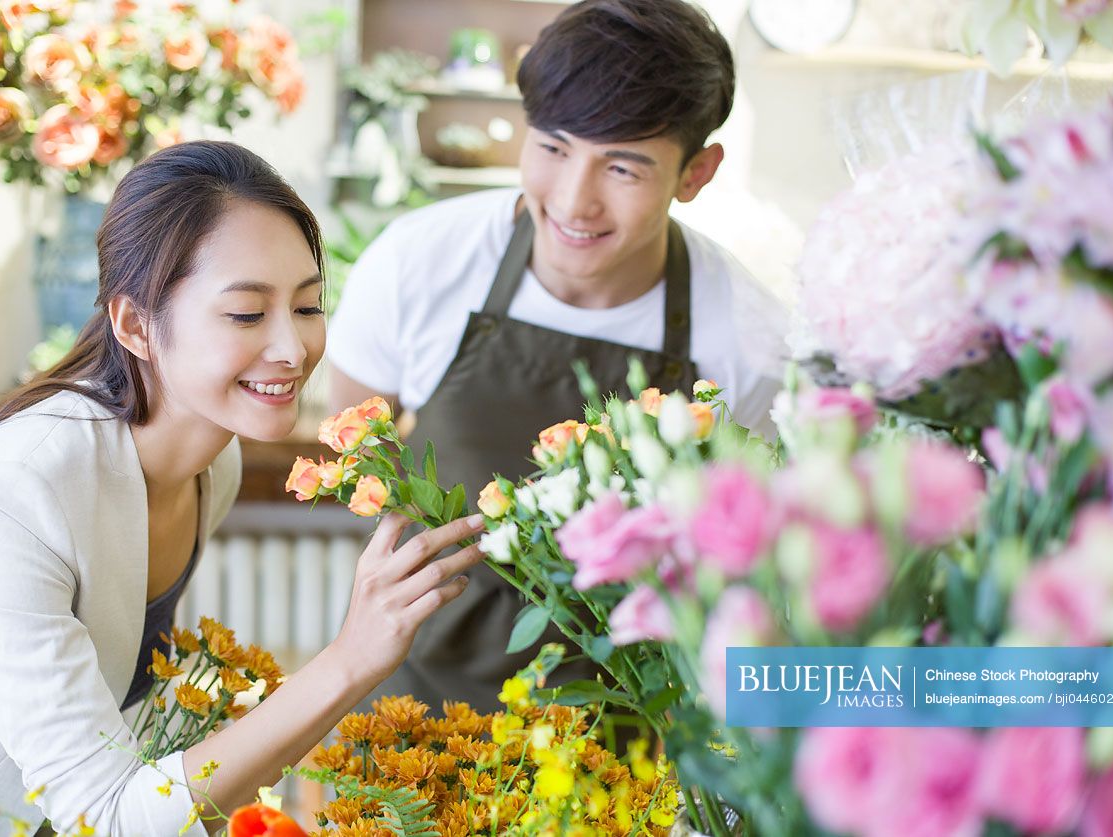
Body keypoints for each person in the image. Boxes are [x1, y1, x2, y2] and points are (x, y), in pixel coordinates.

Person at [0, 141, 484, 835]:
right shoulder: (10, 497)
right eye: (246, 314)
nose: (292, 349)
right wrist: (350, 658)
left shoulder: (211, 464)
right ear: (135, 324)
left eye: (309, 306)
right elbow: (109, 818)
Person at [328, 0, 787, 713]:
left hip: (632, 736)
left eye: (623, 168)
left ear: (695, 173)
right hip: (418, 708)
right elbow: (358, 460)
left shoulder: (752, 341)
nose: (574, 201)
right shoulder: (414, 265)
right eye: (551, 148)